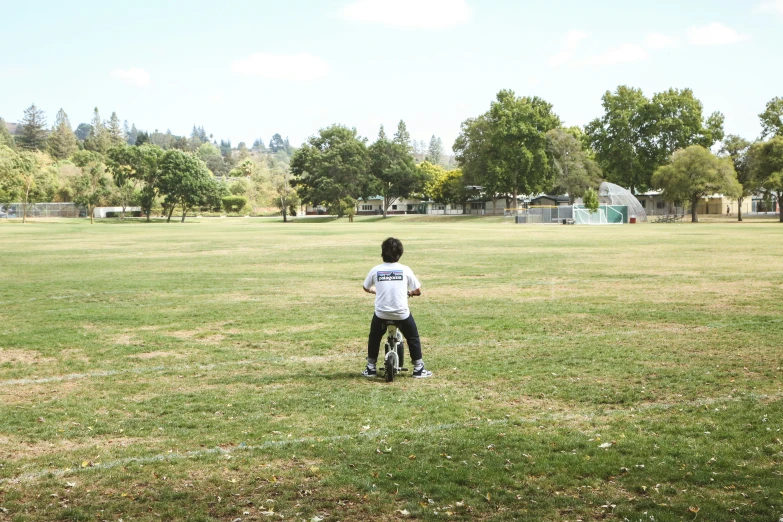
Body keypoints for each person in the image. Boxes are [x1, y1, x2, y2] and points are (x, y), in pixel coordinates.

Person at [362, 237, 432, 378]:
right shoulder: (405, 270)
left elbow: (365, 287)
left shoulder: (376, 270)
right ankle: (418, 368)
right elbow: (418, 291)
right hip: (401, 314)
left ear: (382, 253)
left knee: (374, 337)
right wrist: (410, 293)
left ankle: (370, 367)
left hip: (381, 314)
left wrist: (373, 290)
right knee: (413, 337)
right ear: (400, 253)